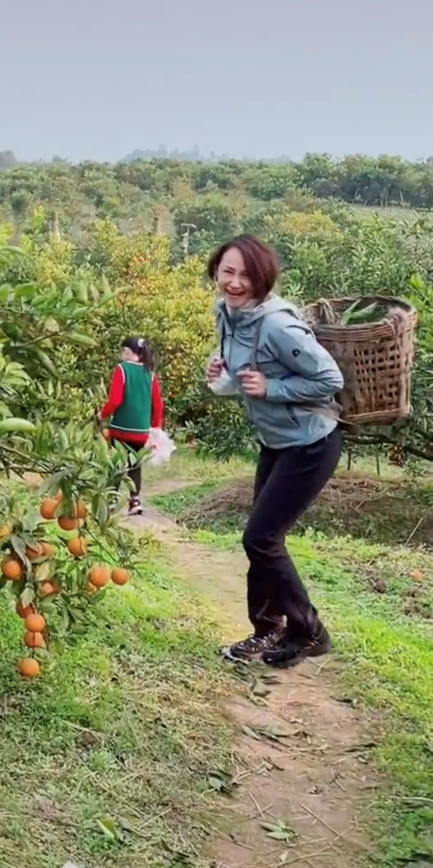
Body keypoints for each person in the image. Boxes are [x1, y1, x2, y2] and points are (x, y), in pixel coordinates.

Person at [206, 234, 344, 669]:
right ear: (216, 272)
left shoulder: (278, 325)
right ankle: (267, 629)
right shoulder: (226, 314)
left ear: (263, 278)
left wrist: (273, 388)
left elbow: (330, 380)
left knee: (261, 538)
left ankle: (309, 632)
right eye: (227, 271)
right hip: (276, 442)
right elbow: (238, 372)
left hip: (310, 443)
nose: (234, 282)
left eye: (246, 274)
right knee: (261, 541)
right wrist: (220, 371)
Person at [97, 336, 164, 515]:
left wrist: (101, 414)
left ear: (129, 351)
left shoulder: (122, 369)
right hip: (141, 431)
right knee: (135, 466)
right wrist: (155, 428)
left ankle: (111, 501)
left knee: (117, 464)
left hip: (121, 429)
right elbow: (157, 404)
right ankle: (135, 501)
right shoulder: (149, 373)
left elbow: (115, 400)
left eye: (123, 351)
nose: (122, 354)